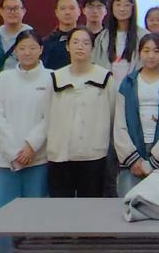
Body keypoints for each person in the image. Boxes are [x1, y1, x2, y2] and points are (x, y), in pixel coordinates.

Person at [0, 30, 50, 253]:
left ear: (41, 50)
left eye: (32, 48)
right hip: (6, 160)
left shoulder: (51, 78)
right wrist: (13, 151)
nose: (27, 52)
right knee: (4, 214)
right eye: (22, 48)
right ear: (15, 51)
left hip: (37, 158)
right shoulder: (3, 79)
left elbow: (50, 116)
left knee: (35, 215)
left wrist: (31, 146)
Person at [47, 27, 115, 197]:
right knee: (60, 206)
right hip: (61, 155)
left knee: (91, 207)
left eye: (86, 43)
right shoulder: (55, 77)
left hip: (94, 155)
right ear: (67, 46)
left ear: (92, 48)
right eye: (75, 42)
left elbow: (113, 113)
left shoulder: (105, 78)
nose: (80, 47)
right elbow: (46, 115)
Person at [92, 0, 147, 196]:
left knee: (130, 150)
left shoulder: (142, 36)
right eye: (118, 4)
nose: (122, 8)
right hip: (106, 102)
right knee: (108, 156)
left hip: (133, 100)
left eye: (127, 4)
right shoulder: (103, 37)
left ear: (133, 8)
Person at [114, 34, 159, 196]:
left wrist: (155, 162)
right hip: (133, 156)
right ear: (139, 53)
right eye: (146, 50)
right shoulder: (127, 83)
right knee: (129, 205)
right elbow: (119, 123)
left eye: (156, 51)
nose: (151, 55)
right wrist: (132, 158)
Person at [0, 0, 33, 79]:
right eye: (8, 8)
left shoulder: (33, 38)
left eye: (16, 8)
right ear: (1, 11)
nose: (12, 12)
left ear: (24, 11)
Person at [43, 0, 81, 70]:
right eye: (63, 9)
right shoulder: (47, 42)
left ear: (79, 12)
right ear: (56, 13)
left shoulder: (87, 39)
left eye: (72, 8)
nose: (67, 12)